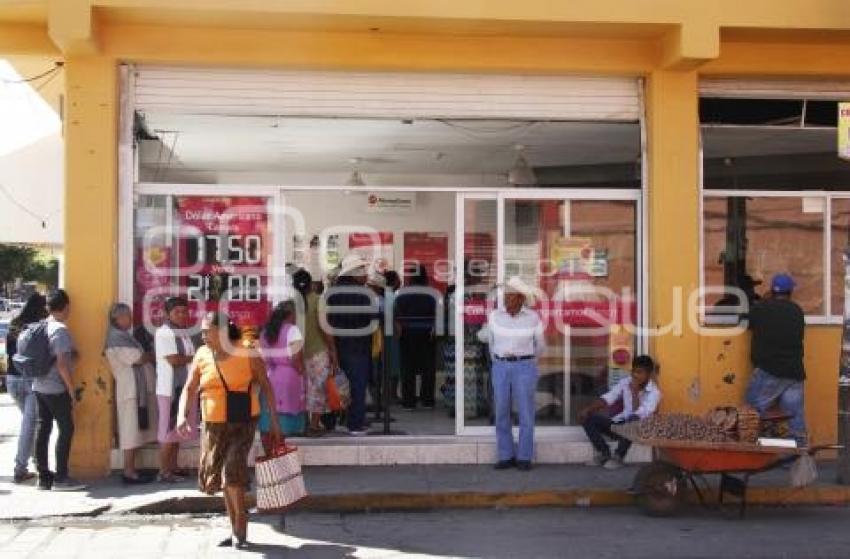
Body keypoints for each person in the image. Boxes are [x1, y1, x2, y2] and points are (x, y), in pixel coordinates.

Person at [177, 312, 281, 550]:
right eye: (202, 331)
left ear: (222, 331)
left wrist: (274, 422)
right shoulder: (202, 354)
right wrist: (182, 415)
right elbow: (190, 387)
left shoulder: (247, 351)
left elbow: (266, 385)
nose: (203, 336)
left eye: (207, 331)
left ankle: (240, 527)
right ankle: (234, 526)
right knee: (223, 478)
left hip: (242, 421)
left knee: (231, 472)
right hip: (213, 425)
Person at [477, 277, 545, 471]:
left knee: (525, 412)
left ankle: (524, 457)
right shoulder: (495, 316)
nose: (507, 299)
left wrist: (528, 361)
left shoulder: (533, 317)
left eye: (511, 296)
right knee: (501, 412)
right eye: (506, 296)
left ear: (521, 298)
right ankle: (505, 455)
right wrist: (499, 360)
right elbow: (489, 341)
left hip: (524, 366)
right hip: (500, 366)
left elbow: (540, 346)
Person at [32, 289, 86, 490]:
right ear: (66, 307)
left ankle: (43, 477)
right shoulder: (60, 330)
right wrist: (71, 390)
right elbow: (62, 364)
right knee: (66, 429)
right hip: (56, 388)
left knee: (43, 429)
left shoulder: (42, 326)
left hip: (38, 386)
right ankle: (62, 478)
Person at [745, 273, 807, 444]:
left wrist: (763, 302)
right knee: (795, 418)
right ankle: (799, 457)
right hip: (795, 372)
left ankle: (749, 451)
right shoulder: (797, 311)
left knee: (750, 414)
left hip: (769, 370)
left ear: (772, 290)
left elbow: (746, 322)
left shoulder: (761, 309)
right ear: (790, 292)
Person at [103, 303, 157, 484]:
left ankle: (133, 469)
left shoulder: (123, 336)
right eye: (127, 316)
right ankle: (129, 471)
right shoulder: (116, 338)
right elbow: (139, 358)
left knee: (136, 429)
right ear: (118, 318)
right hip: (130, 391)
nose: (130, 319)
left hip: (136, 390)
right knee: (130, 430)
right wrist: (151, 355)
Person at [325, 254, 377, 436]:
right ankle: (355, 424)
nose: (366, 275)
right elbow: (374, 318)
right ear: (354, 273)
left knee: (339, 384)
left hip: (336, 345)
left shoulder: (331, 292)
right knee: (357, 385)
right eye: (362, 270)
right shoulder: (364, 294)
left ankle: (337, 420)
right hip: (358, 346)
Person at [579, 355, 661, 470]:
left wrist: (634, 392)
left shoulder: (654, 393)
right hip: (621, 426)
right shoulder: (625, 382)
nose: (635, 375)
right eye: (634, 371)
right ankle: (604, 453)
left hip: (639, 430)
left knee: (633, 420)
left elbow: (638, 414)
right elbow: (608, 398)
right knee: (588, 418)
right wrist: (589, 409)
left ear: (648, 374)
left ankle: (618, 456)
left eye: (639, 372)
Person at [5, 293, 48, 483]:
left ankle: (35, 460)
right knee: (30, 425)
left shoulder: (15, 322)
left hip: (12, 378)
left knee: (29, 423)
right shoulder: (39, 325)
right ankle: (20, 468)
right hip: (30, 379)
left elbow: (9, 351)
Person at [154, 296, 197, 483]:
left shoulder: (183, 332)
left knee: (178, 430)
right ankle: (164, 471)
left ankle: (174, 467)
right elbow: (174, 360)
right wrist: (195, 358)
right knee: (168, 431)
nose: (181, 315)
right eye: (176, 312)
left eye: (184, 311)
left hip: (184, 388)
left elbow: (184, 357)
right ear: (167, 314)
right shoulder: (165, 332)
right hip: (170, 389)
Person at [293, 268, 339, 436]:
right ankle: (314, 424)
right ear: (311, 284)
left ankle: (302, 423)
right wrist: (334, 351)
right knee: (318, 389)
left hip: (296, 353)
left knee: (302, 389)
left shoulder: (291, 303)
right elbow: (325, 328)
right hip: (318, 352)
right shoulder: (318, 301)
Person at [259, 300, 307, 442]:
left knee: (269, 419)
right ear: (291, 314)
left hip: (269, 376)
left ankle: (270, 455)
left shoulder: (266, 331)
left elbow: (262, 356)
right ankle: (279, 455)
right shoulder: (293, 330)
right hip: (289, 377)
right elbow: (295, 358)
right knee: (283, 424)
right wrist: (301, 371)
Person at [395, 265, 438, 410]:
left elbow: (396, 312)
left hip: (407, 333)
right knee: (428, 368)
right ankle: (427, 400)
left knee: (408, 368)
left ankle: (409, 401)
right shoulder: (432, 292)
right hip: (427, 332)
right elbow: (438, 312)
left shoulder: (402, 293)